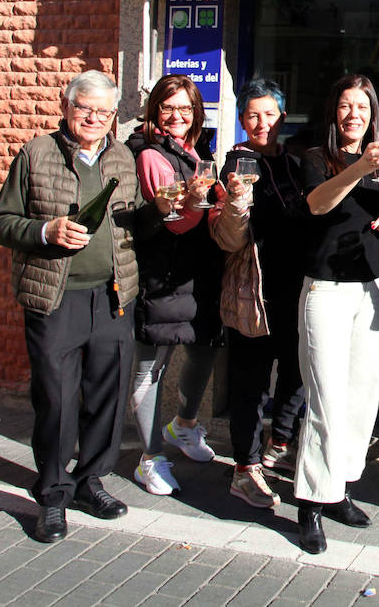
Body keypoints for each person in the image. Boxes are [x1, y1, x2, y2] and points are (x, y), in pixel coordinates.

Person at [0, 70, 168, 544]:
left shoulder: (123, 156)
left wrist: (164, 209)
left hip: (112, 297)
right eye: (85, 107)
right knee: (57, 400)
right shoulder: (36, 153)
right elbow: (0, 222)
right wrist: (46, 232)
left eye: (104, 112)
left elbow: (132, 225)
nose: (94, 118)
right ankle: (51, 494)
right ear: (66, 107)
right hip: (55, 297)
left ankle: (89, 481)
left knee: (107, 400)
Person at [294, 73, 379, 554]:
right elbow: (318, 204)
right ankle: (311, 504)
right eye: (345, 105)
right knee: (326, 398)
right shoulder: (315, 157)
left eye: (362, 106)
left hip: (372, 287)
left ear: (372, 113)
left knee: (360, 398)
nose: (353, 113)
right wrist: (359, 168)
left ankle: (340, 489)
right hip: (327, 289)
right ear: (334, 112)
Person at [124, 75, 224, 497]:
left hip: (196, 273)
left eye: (186, 108)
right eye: (168, 108)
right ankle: (149, 458)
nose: (177, 116)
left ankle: (183, 426)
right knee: (152, 366)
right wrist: (207, 202)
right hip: (162, 274)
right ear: (155, 112)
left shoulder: (191, 151)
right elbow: (180, 220)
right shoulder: (150, 155)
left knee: (203, 351)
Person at [216, 79, 308, 509]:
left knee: (296, 372)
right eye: (253, 115)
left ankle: (280, 442)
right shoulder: (236, 163)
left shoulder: (293, 163)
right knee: (249, 385)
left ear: (282, 118)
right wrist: (236, 198)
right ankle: (243, 468)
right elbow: (232, 234)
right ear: (241, 120)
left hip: (295, 286)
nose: (261, 122)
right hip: (252, 288)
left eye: (269, 114)